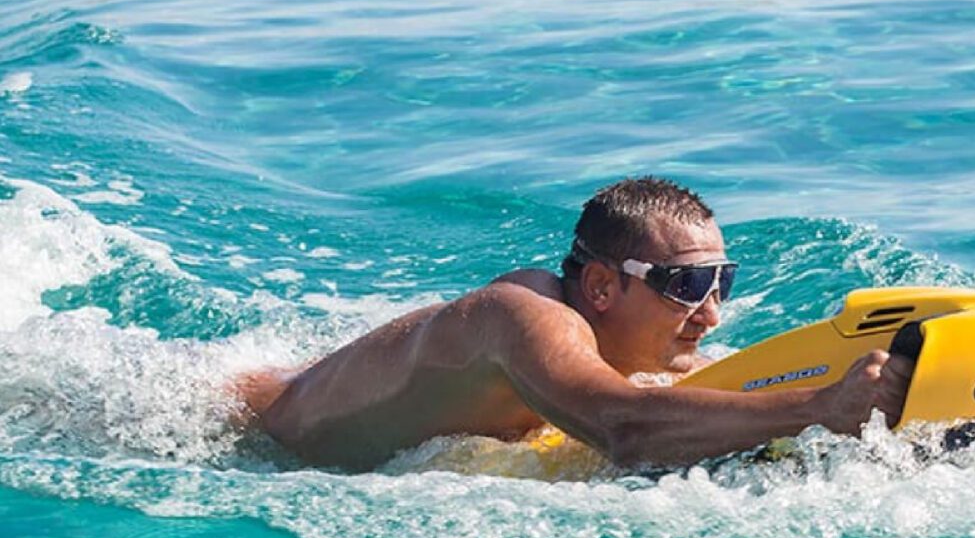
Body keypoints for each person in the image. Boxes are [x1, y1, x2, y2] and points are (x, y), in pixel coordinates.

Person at [239, 176, 912, 471]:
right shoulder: (520, 317)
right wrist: (821, 407)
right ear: (599, 286)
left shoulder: (648, 349)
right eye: (686, 285)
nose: (710, 312)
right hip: (240, 436)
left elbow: (722, 409)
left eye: (722, 282)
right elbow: (626, 429)